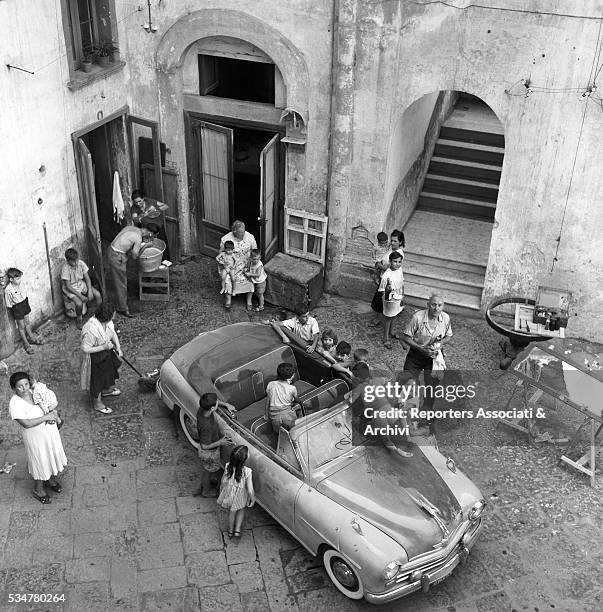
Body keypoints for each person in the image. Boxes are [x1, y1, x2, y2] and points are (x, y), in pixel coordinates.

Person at [9, 372, 67, 504]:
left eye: (26, 384)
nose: (24, 388)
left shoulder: (35, 391)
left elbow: (50, 402)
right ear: (14, 389)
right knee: (40, 460)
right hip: (35, 439)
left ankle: (48, 479)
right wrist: (46, 417)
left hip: (49, 434)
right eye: (20, 386)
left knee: (50, 456)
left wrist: (53, 413)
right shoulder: (15, 404)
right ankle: (38, 490)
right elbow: (26, 424)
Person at [403, 294, 453, 433]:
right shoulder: (417, 317)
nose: (436, 308)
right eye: (433, 304)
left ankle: (427, 414)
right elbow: (406, 337)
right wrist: (421, 348)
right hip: (416, 354)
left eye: (440, 305)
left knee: (431, 387)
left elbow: (448, 336)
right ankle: (406, 414)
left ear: (443, 306)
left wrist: (439, 343)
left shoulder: (446, 318)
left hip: (434, 357)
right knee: (408, 382)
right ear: (428, 304)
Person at [346, 363, 413, 458]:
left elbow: (350, 401)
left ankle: (398, 451)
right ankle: (408, 437)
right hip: (387, 409)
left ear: (359, 378)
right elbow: (388, 380)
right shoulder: (378, 380)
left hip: (377, 414)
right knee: (401, 416)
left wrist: (351, 395)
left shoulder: (360, 388)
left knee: (386, 439)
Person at [108, 223, 160, 317]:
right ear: (150, 234)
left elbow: (125, 240)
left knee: (120, 281)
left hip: (111, 249)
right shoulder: (138, 238)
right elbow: (135, 256)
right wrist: (145, 246)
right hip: (117, 256)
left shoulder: (132, 228)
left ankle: (120, 302)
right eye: (153, 236)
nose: (152, 238)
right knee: (121, 283)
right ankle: (122, 308)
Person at [80, 302, 123, 414]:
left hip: (107, 351)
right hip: (96, 356)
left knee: (112, 369)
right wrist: (103, 347)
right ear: (107, 315)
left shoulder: (108, 322)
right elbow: (85, 348)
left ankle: (106, 390)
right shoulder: (91, 329)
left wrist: (118, 348)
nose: (115, 314)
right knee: (97, 379)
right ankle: (97, 403)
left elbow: (112, 333)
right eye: (113, 313)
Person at [195, 393, 236, 497]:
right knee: (208, 470)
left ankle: (203, 485)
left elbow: (213, 403)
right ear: (213, 408)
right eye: (217, 403)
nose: (218, 402)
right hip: (209, 452)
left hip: (208, 450)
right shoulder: (206, 426)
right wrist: (220, 442)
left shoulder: (202, 410)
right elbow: (205, 446)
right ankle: (206, 491)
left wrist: (226, 404)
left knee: (208, 469)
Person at [217, 445, 255, 538]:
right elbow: (250, 490)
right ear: (244, 459)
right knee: (241, 510)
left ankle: (230, 531)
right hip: (241, 496)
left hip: (229, 493)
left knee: (232, 512)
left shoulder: (227, 466)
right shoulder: (248, 471)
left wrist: (221, 491)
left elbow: (223, 481)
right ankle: (237, 530)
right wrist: (253, 499)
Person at [218, 221, 258, 310]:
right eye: (240, 232)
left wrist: (252, 263)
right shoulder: (226, 239)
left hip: (245, 265)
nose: (243, 234)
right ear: (234, 231)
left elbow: (255, 251)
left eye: (243, 231)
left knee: (250, 278)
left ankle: (249, 300)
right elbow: (221, 253)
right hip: (231, 266)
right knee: (227, 279)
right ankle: (228, 300)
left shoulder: (250, 237)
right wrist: (224, 263)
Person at [4, 267, 44, 354]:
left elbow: (24, 293)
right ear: (11, 279)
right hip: (17, 307)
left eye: (20, 278)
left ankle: (32, 337)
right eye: (17, 278)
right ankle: (26, 344)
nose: (19, 280)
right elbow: (8, 304)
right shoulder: (8, 290)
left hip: (25, 303)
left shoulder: (20, 284)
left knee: (27, 323)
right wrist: (15, 310)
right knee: (21, 327)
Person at [370, 230, 405, 326]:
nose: (392, 243)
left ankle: (380, 319)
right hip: (383, 276)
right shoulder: (390, 248)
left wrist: (378, 265)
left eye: (395, 241)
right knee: (380, 298)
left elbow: (391, 266)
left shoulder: (398, 253)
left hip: (389, 279)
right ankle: (382, 317)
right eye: (392, 240)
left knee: (382, 298)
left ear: (400, 242)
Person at [60, 248, 102, 328]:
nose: (76, 263)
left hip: (80, 284)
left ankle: (99, 314)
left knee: (98, 295)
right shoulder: (65, 268)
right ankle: (79, 319)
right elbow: (68, 286)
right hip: (70, 289)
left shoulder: (81, 263)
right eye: (73, 261)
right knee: (79, 304)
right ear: (68, 260)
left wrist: (89, 290)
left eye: (76, 260)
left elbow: (87, 278)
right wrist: (80, 296)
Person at [265, 362, 301, 433]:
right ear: (292, 376)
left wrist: (266, 414)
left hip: (274, 417)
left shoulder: (271, 384)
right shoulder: (292, 388)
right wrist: (300, 402)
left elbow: (268, 401)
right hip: (288, 416)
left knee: (281, 435)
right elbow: (297, 400)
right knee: (295, 432)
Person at [379, 251, 404, 348]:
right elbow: (382, 291)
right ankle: (385, 337)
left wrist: (402, 296)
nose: (397, 264)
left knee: (395, 315)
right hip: (389, 299)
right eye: (395, 262)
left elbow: (402, 283)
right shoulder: (386, 276)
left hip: (398, 296)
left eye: (399, 262)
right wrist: (388, 294)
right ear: (390, 261)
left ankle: (391, 331)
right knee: (388, 317)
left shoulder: (400, 269)